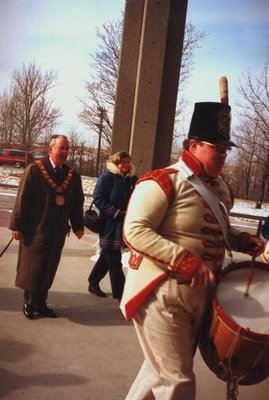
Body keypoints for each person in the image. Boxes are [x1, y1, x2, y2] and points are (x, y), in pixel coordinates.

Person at [120, 102, 264, 400]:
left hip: (199, 299)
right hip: (162, 294)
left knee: (157, 372)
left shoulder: (218, 188)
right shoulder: (163, 180)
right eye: (217, 148)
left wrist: (239, 240)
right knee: (177, 382)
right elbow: (135, 230)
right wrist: (182, 259)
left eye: (226, 149)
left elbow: (211, 228)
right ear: (193, 145)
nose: (223, 155)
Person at [9, 134, 84, 319]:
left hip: (58, 230)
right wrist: (17, 225)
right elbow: (22, 199)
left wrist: (78, 226)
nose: (65, 152)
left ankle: (41, 303)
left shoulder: (72, 176)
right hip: (36, 228)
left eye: (67, 149)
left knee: (49, 265)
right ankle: (28, 302)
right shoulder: (34, 170)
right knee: (32, 266)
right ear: (51, 149)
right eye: (61, 148)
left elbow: (76, 203)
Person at [88, 151, 137, 301]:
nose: (126, 165)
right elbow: (98, 198)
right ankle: (122, 295)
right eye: (122, 162)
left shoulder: (132, 180)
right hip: (109, 224)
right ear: (116, 163)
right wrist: (115, 213)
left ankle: (93, 281)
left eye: (128, 162)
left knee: (107, 255)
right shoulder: (107, 177)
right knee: (114, 260)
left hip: (124, 224)